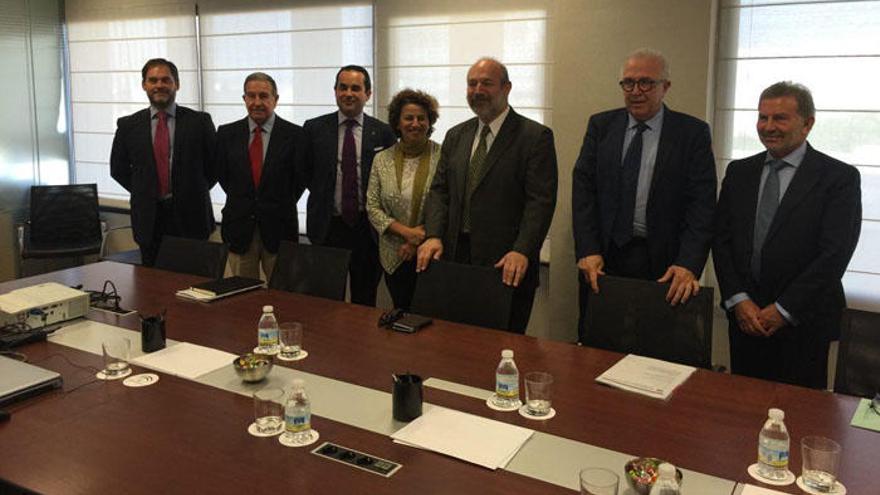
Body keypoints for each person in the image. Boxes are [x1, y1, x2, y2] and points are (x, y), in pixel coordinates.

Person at [714, 81, 861, 388]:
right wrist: (739, 300)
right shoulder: (740, 172)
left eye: (780, 118)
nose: (768, 127)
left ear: (807, 124)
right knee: (742, 410)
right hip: (745, 320)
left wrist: (783, 310)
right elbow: (722, 241)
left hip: (803, 324)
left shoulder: (839, 178)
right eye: (762, 117)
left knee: (800, 420)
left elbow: (834, 254)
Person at [571, 48, 716, 341]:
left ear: (666, 87)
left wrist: (689, 263)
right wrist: (587, 249)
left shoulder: (692, 133)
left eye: (646, 83)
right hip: (605, 259)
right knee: (599, 343)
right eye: (628, 83)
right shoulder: (601, 126)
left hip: (664, 263)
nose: (636, 91)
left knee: (658, 347)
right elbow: (583, 189)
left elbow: (702, 204)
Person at [417, 57, 558, 334]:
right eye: (472, 84)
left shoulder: (534, 136)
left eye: (486, 83)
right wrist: (433, 234)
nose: (477, 90)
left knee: (501, 348)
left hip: (505, 264)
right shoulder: (456, 135)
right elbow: (440, 191)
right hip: (457, 260)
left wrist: (522, 250)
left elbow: (539, 202)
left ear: (506, 88)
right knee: (455, 342)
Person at [301, 65, 396, 306]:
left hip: (368, 230)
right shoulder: (313, 129)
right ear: (335, 91)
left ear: (368, 94)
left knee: (365, 300)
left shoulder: (383, 133)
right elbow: (303, 172)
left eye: (356, 88)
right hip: (327, 227)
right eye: (343, 87)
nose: (348, 93)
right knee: (325, 301)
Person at [110, 58, 217, 266]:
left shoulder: (200, 122)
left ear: (176, 84)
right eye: (153, 80)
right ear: (144, 85)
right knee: (152, 287)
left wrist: (194, 190)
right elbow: (118, 169)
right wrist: (144, 190)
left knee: (194, 286)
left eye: (166, 80)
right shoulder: (128, 125)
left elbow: (214, 167)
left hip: (192, 218)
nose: (159, 85)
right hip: (148, 220)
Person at [215, 72, 304, 280]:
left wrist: (275, 202)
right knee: (241, 298)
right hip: (239, 229)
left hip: (280, 230)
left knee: (283, 296)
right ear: (244, 99)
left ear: (276, 99)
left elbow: (300, 180)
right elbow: (223, 176)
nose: (257, 102)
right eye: (251, 96)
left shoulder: (295, 135)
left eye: (263, 96)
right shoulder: (226, 134)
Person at [366, 89, 441, 310]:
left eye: (421, 118)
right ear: (397, 123)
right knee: (401, 313)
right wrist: (407, 234)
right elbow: (372, 206)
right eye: (408, 118)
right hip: (393, 254)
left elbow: (447, 203)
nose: (415, 123)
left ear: (430, 122)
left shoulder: (443, 156)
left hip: (430, 252)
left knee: (432, 319)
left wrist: (417, 240)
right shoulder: (381, 159)